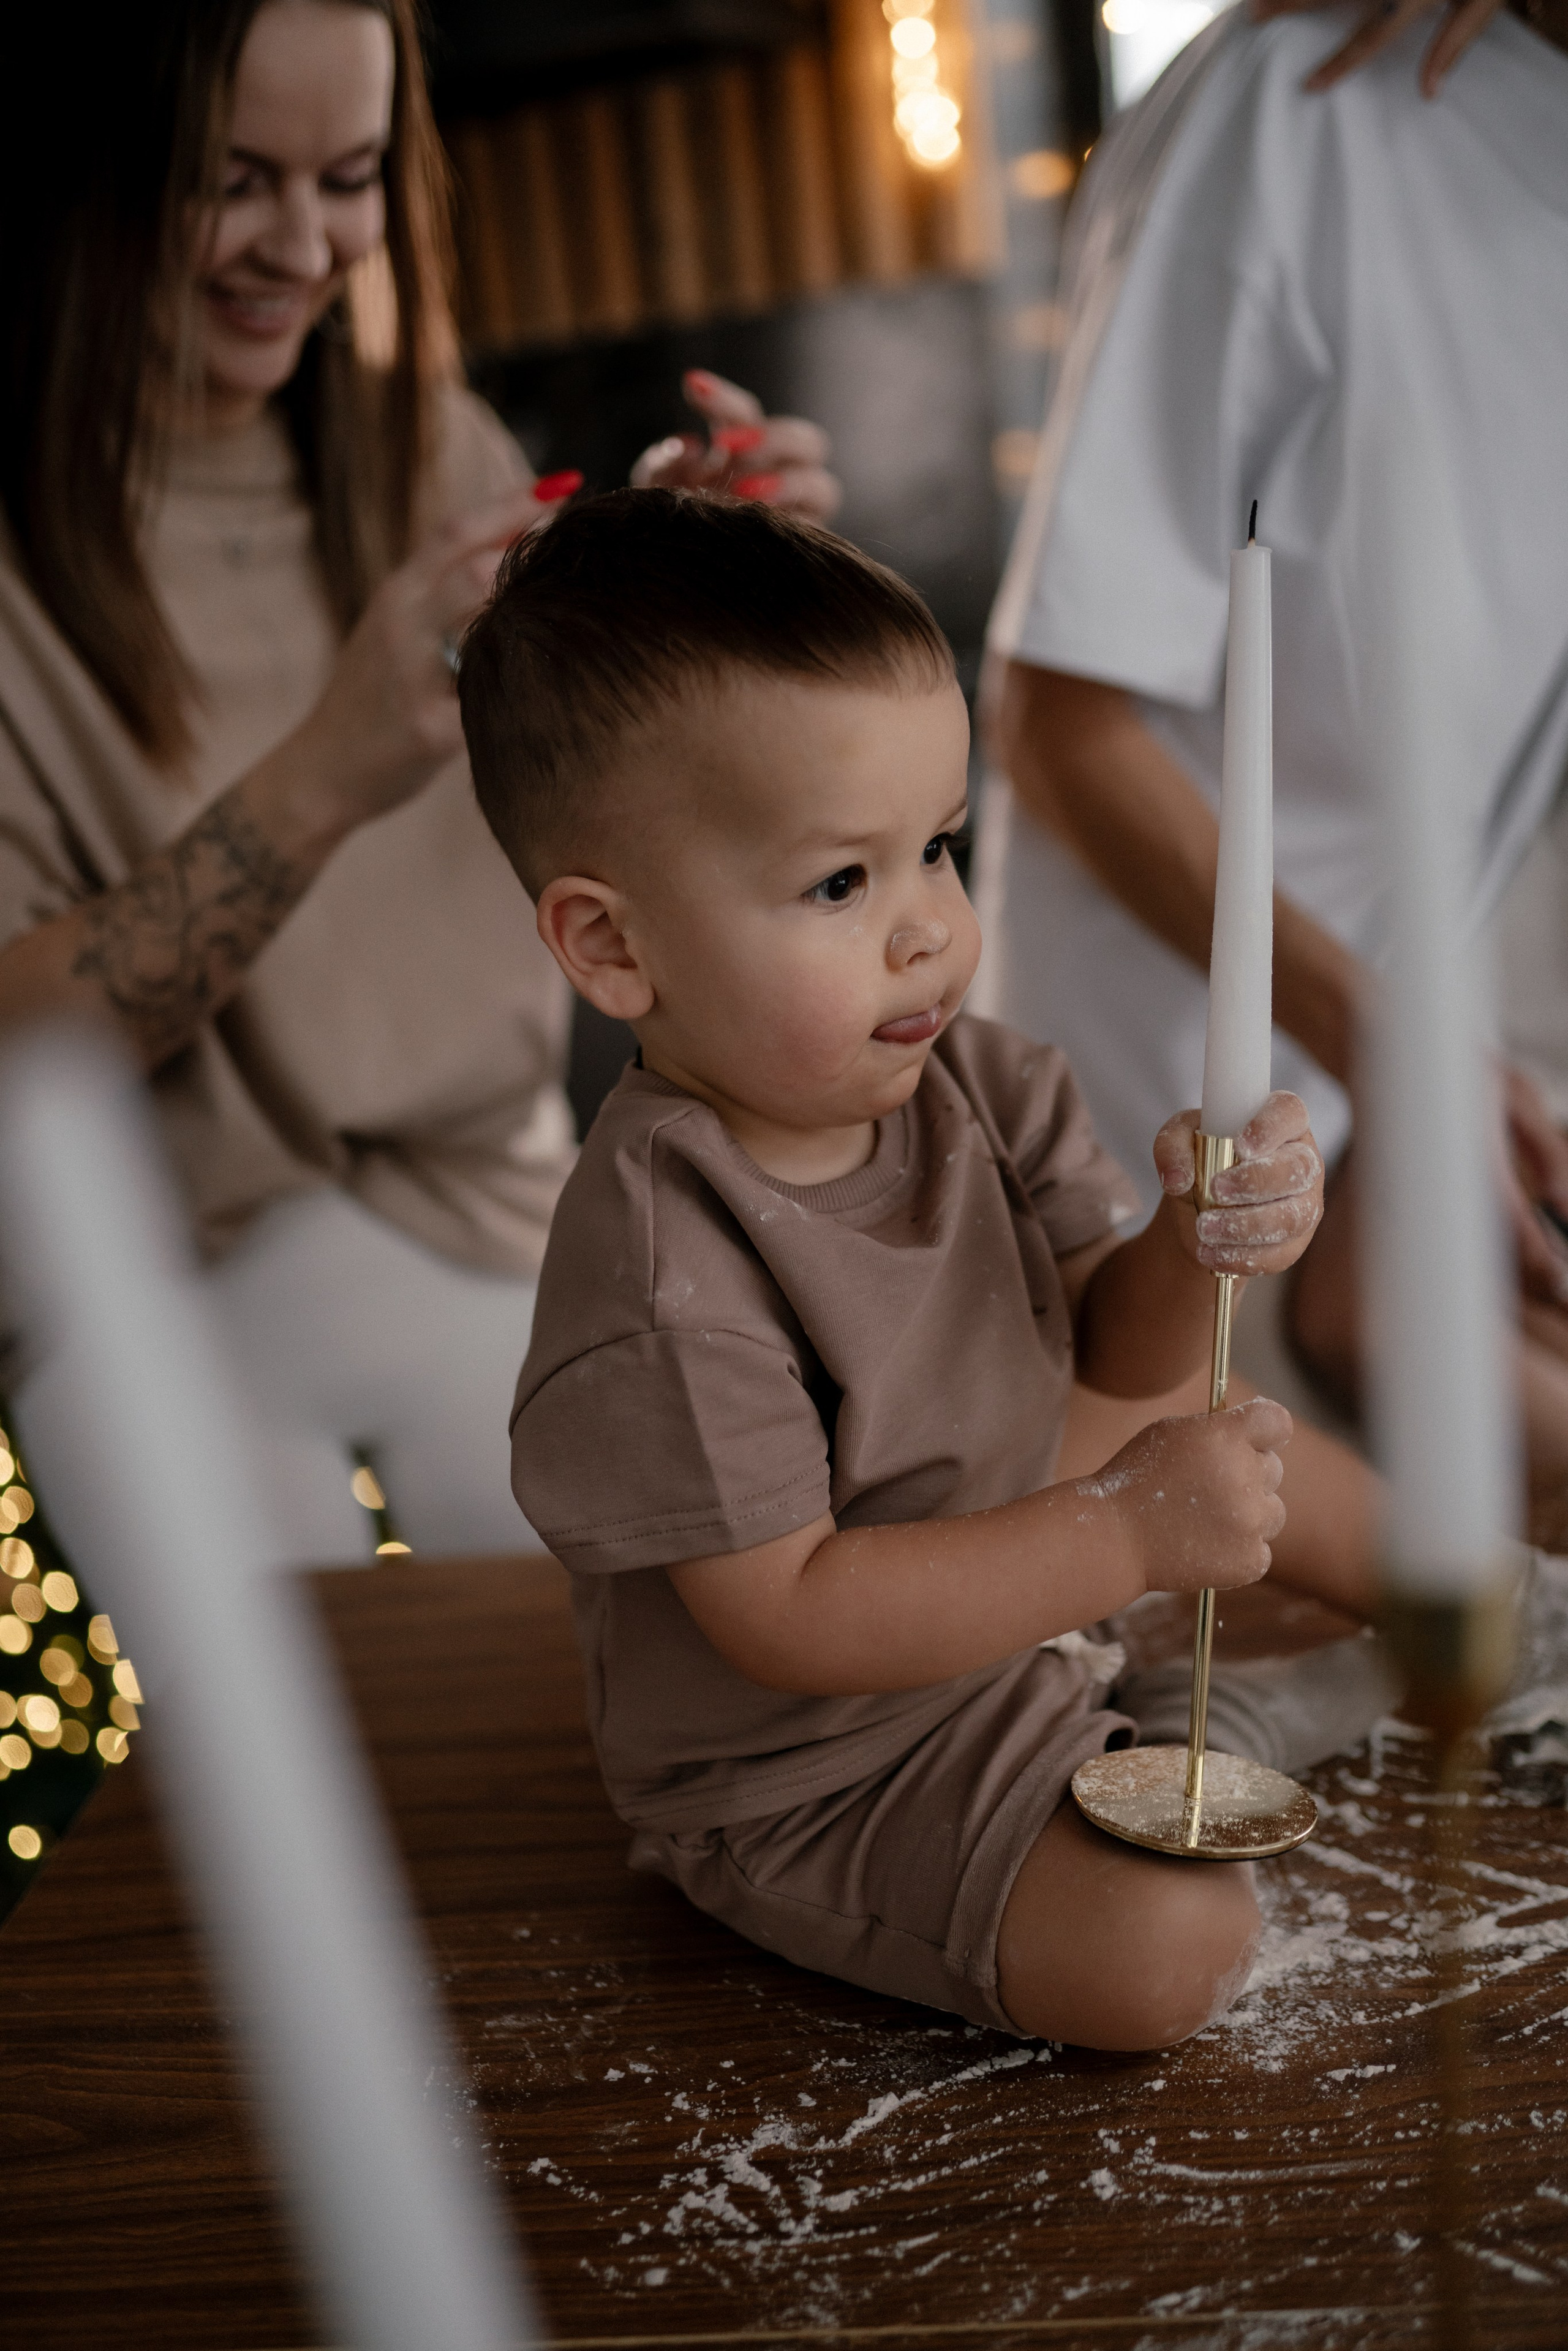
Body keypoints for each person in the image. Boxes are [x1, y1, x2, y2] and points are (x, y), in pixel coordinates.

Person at [448, 488, 1426, 2051]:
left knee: (1230, 1434)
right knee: (1164, 1948)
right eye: (841, 883)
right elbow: (795, 1618)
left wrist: (1199, 1241)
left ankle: (1484, 1611)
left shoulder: (987, 1081)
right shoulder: (660, 1262)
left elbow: (1117, 1359)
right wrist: (1122, 1535)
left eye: (937, 848)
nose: (926, 930)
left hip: (1022, 1582)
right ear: (614, 947)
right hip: (831, 1759)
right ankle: (1211, 1711)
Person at [0, 0, 838, 1563]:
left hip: (488, 1209)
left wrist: (680, 590)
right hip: (143, 1280)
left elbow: (616, 829)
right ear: (94, 166)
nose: (303, 245)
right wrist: (328, 768)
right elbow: (20, 1040)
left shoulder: (434, 452)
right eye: (231, 180)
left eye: (350, 178)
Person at [980, 1, 1568, 1541]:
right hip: (1134, 1171)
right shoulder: (1305, 109)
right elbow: (1058, 719)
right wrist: (1397, 1052)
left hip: (1375, 1173)